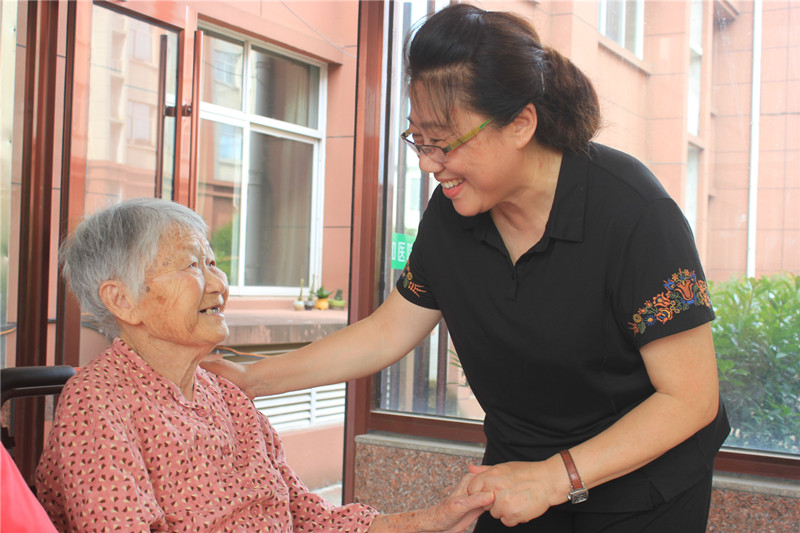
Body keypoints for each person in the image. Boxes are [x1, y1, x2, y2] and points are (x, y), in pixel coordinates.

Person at [203, 4, 731, 533]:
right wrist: (253, 378)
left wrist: (554, 478)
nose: (427, 163)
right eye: (418, 140)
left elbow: (690, 397)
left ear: (521, 123)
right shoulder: (453, 214)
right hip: (515, 473)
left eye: (443, 142)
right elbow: (387, 332)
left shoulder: (634, 213)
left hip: (641, 487)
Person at [35, 198, 493, 532]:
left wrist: (433, 520)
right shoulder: (98, 405)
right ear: (122, 301)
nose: (219, 283)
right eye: (192, 266)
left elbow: (309, 518)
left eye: (213, 262)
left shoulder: (226, 397)